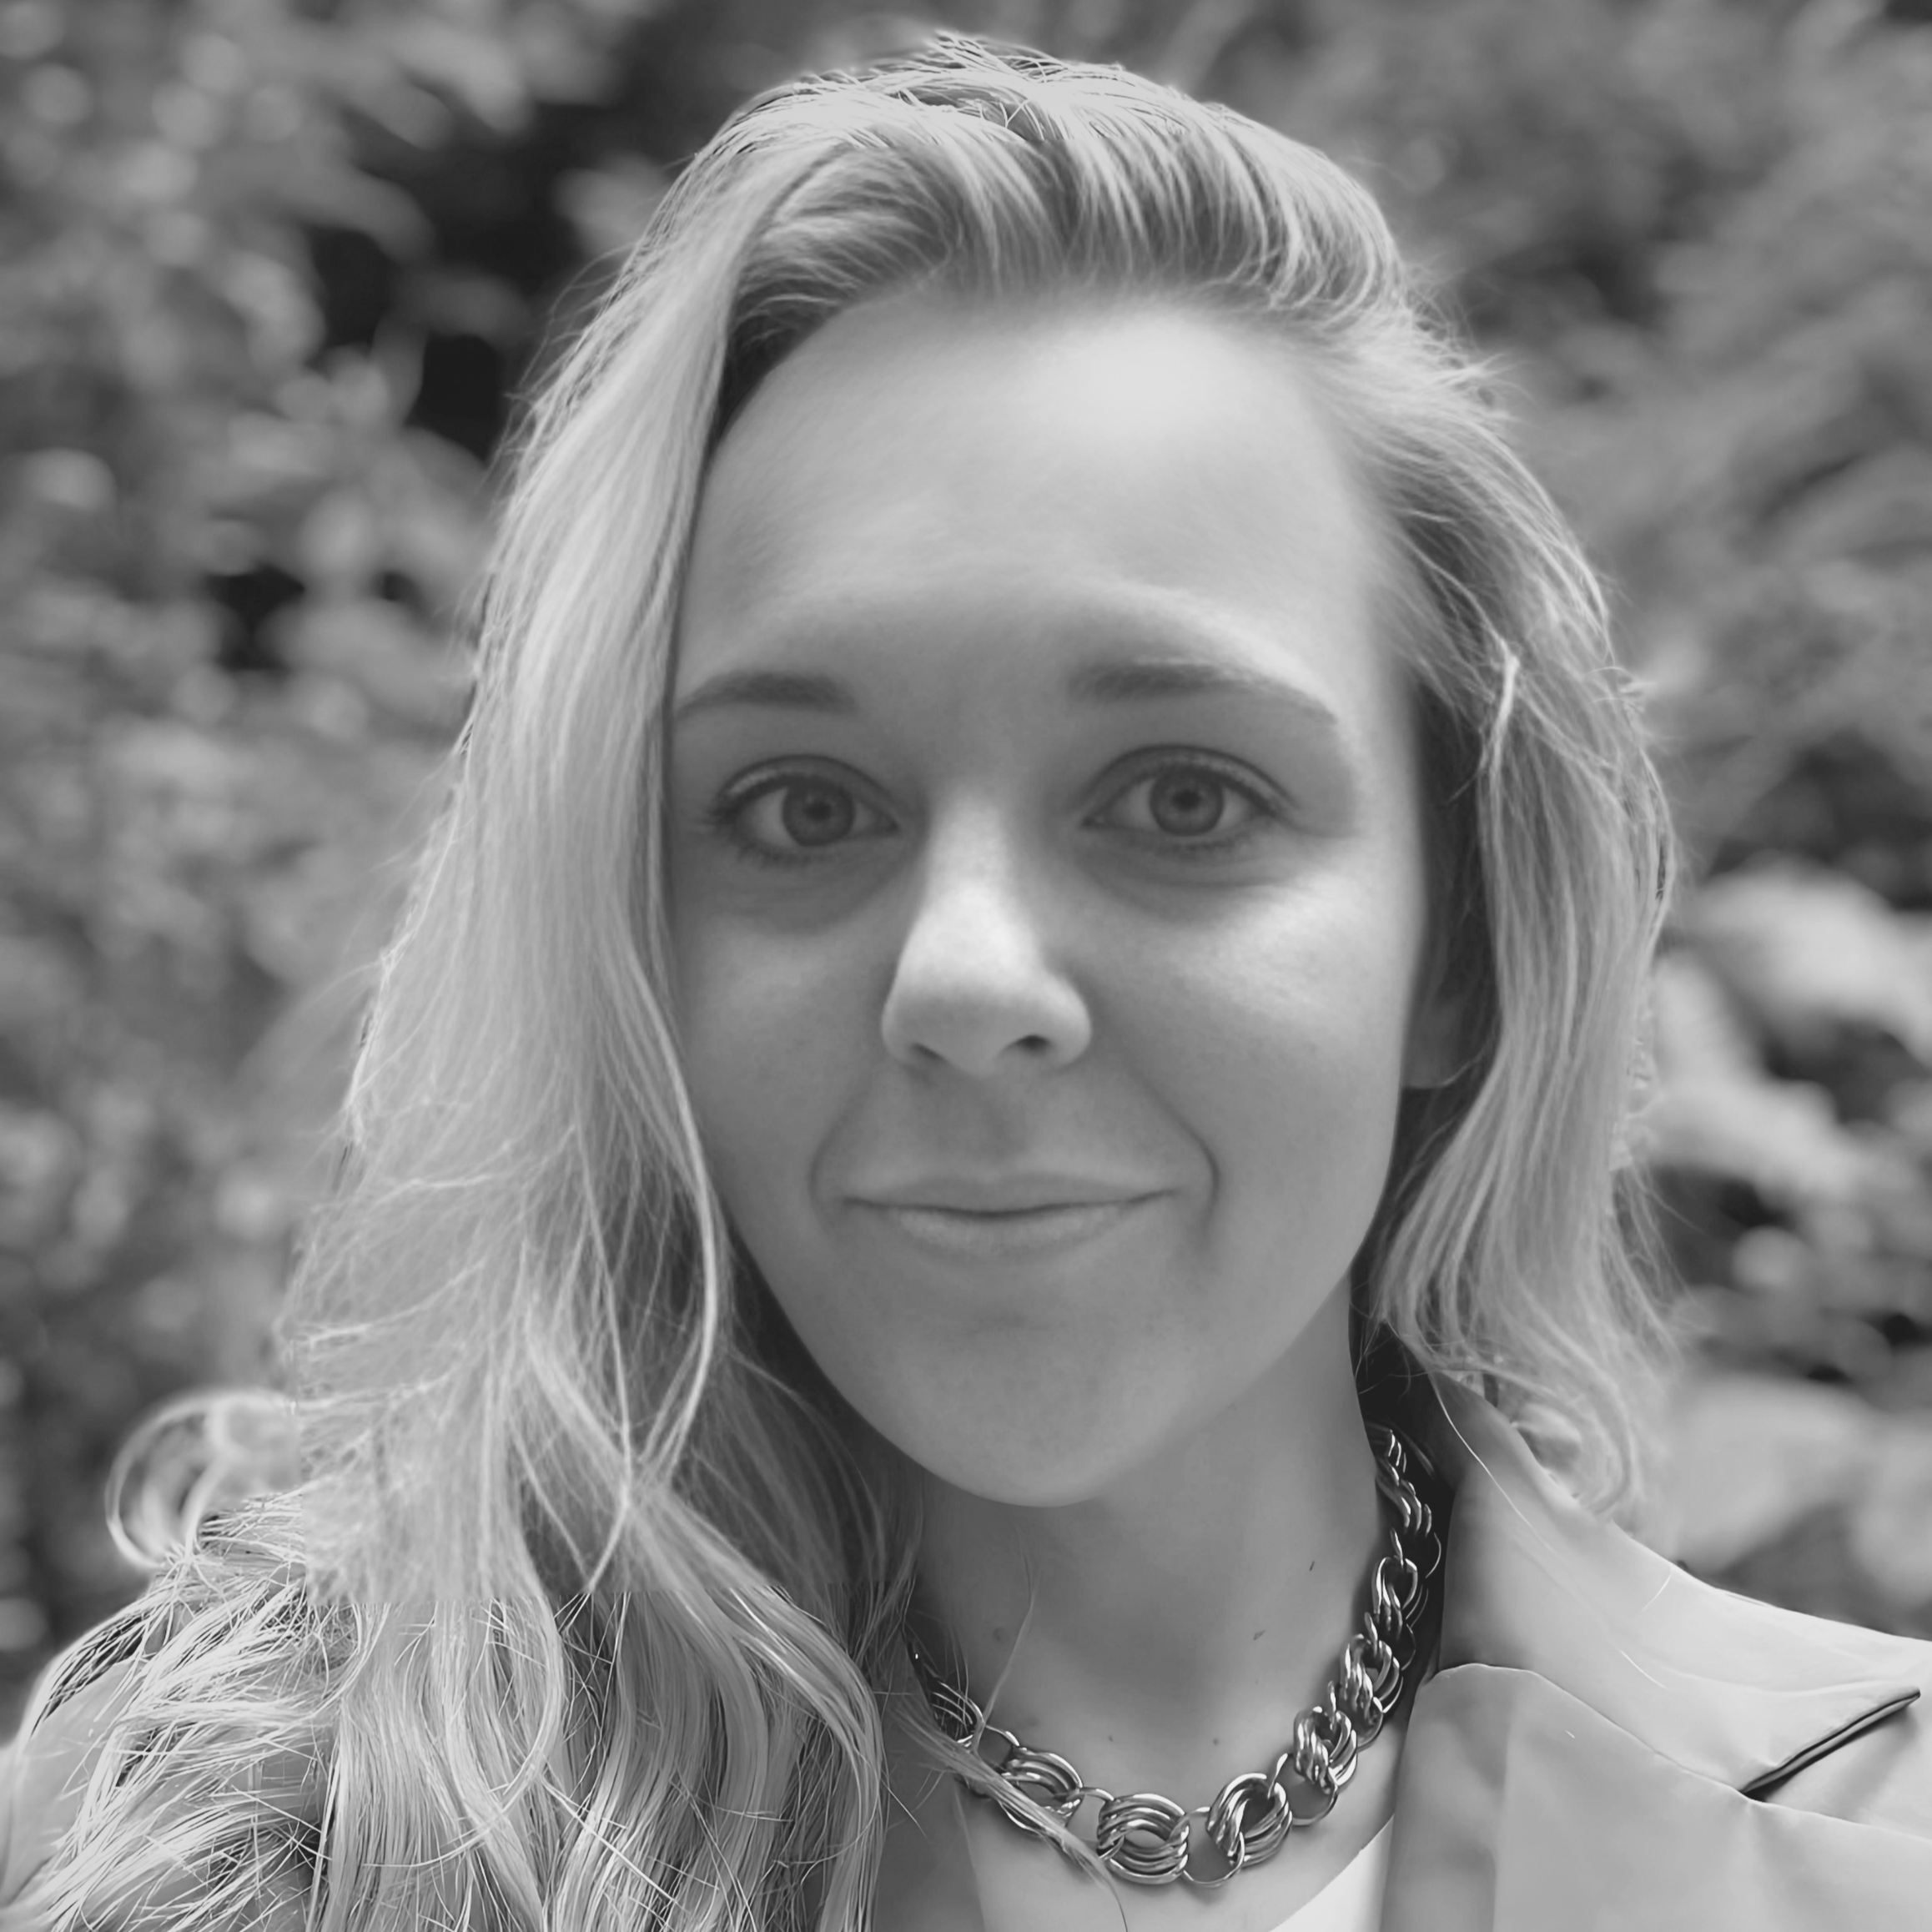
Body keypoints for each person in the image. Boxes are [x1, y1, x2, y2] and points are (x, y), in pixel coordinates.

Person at [2, 34, 1928, 1932]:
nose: (970, 975)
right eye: (801, 806)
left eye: (1183, 796)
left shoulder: (1879, 1838)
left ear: (1465, 945)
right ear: (637, 943)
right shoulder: (263, 1841)